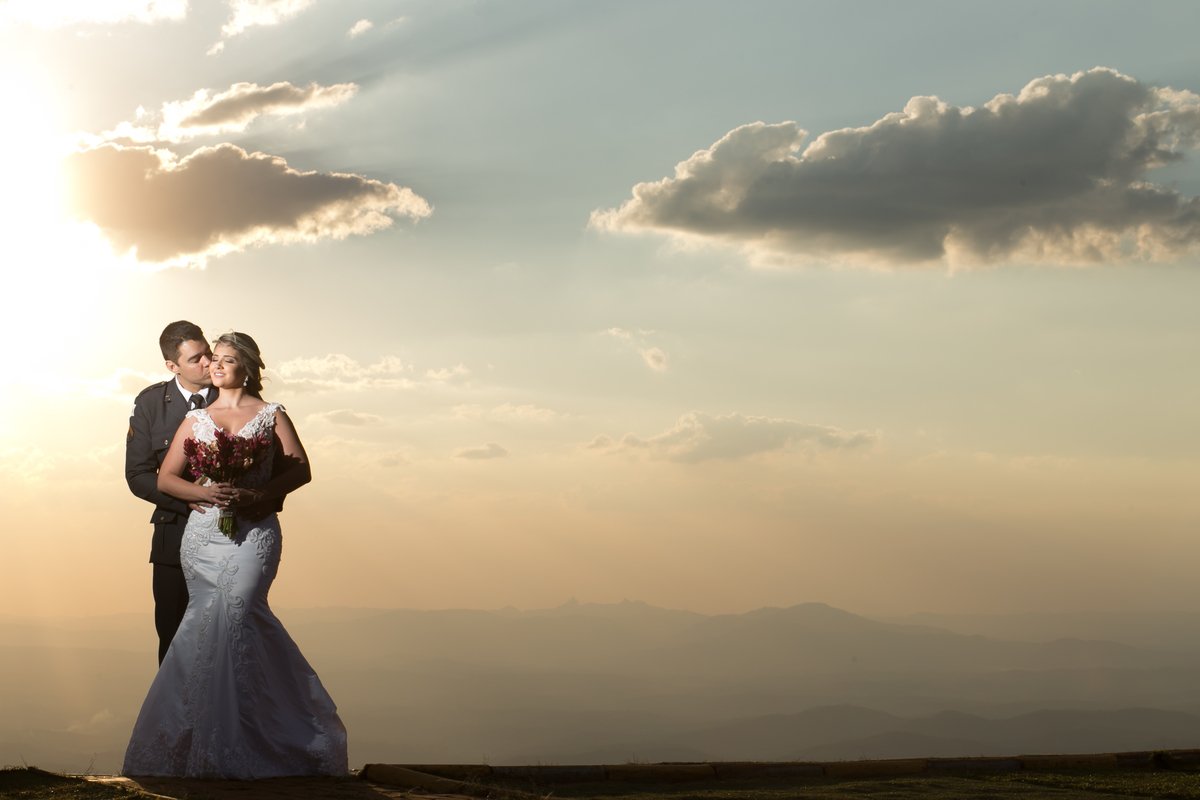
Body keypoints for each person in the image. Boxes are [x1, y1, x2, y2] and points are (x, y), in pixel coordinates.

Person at [123, 332, 348, 778]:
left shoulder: (272, 414)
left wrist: (257, 493)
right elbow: (166, 478)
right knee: (204, 625)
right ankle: (196, 739)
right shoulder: (197, 419)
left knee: (242, 612)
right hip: (204, 537)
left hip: (254, 533)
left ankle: (274, 733)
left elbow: (300, 468)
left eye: (226, 359)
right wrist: (201, 493)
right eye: (214, 359)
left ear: (246, 366)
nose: (216, 365)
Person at [126, 321, 216, 664]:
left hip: (228, 536)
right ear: (172, 366)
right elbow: (137, 474)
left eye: (208, 353)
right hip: (173, 537)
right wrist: (189, 496)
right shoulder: (151, 404)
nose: (208, 363)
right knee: (173, 640)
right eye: (196, 359)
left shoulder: (232, 397)